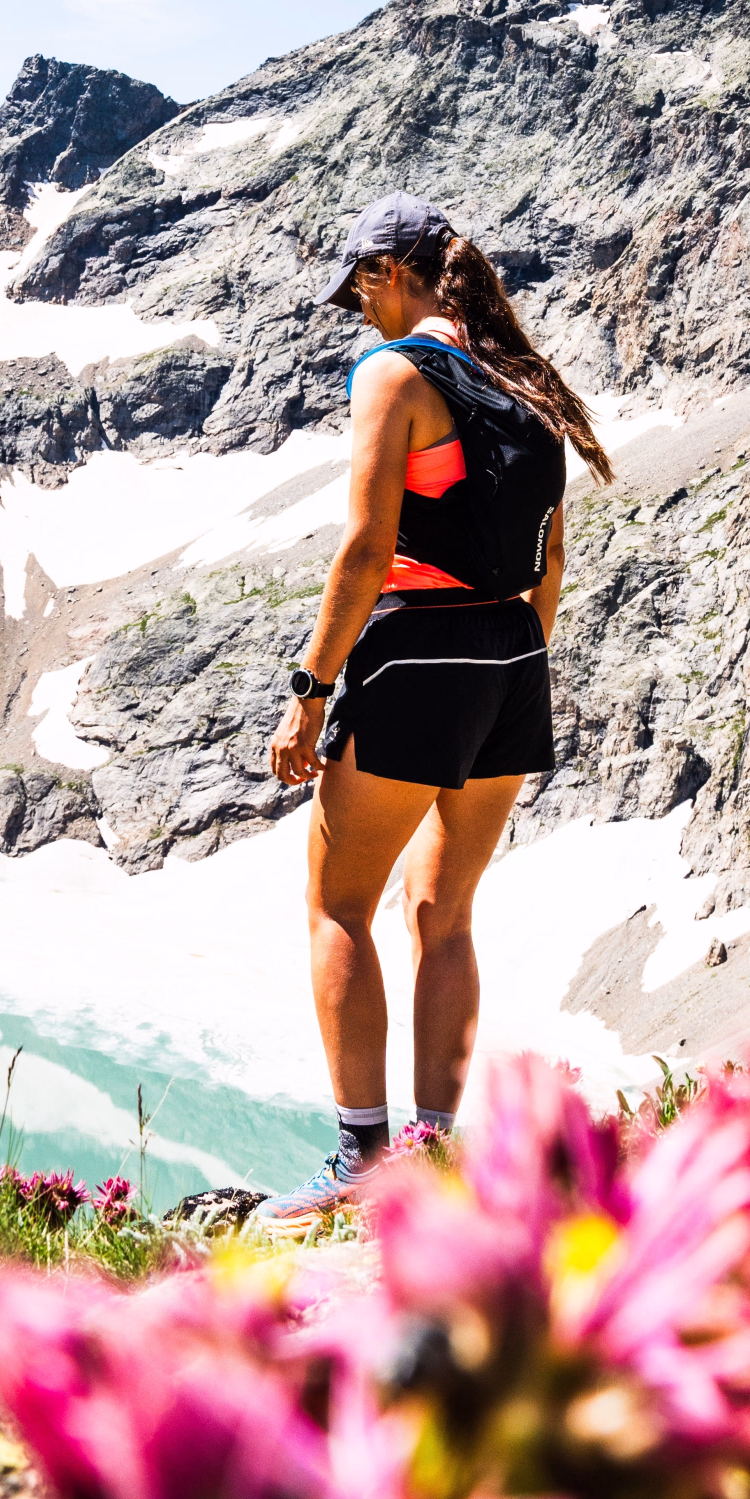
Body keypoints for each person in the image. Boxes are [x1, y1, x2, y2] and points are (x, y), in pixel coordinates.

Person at [256, 193, 613, 1226]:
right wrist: (514, 655)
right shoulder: (526, 382)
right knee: (442, 910)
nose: (357, 311)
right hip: (513, 656)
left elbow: (367, 550)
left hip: (421, 649)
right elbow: (549, 559)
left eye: (359, 287)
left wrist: (310, 694)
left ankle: (365, 1158)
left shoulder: (395, 372)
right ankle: (433, 1146)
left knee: (338, 906)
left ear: (391, 272)